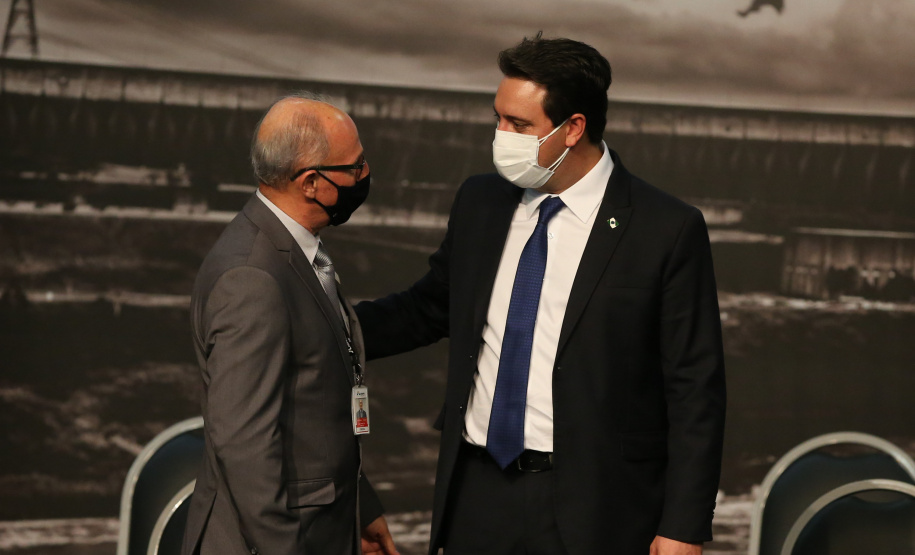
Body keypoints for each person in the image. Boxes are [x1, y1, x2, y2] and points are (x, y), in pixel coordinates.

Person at [355, 35, 726, 555]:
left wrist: (684, 525)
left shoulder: (666, 228)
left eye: (519, 125)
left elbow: (694, 386)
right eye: (498, 118)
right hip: (476, 490)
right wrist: (327, 326)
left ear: (573, 128)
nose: (501, 135)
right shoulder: (481, 200)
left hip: (593, 503)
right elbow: (430, 306)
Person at [182, 93, 399, 555]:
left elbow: (313, 410)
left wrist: (359, 505)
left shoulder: (295, 250)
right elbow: (244, 445)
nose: (366, 175)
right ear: (311, 183)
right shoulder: (253, 278)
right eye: (355, 167)